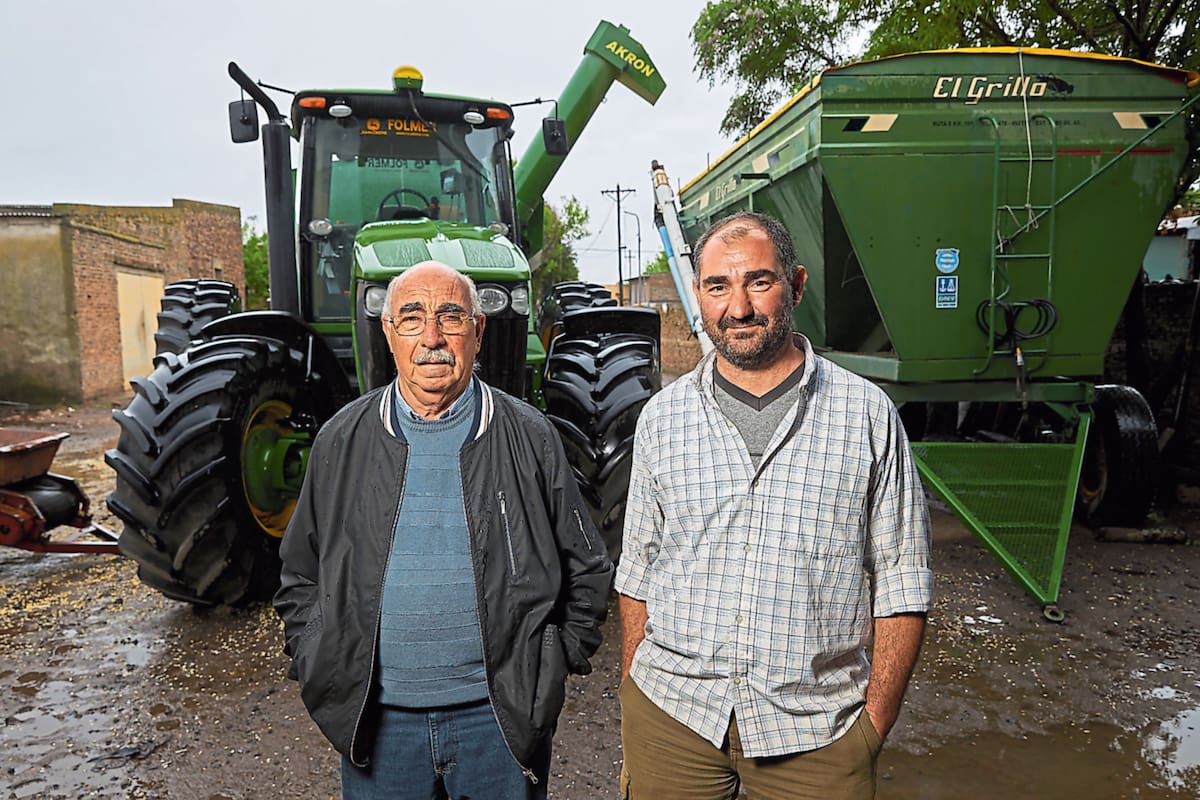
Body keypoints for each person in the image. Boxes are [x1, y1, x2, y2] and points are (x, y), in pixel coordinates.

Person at [616, 212, 933, 800]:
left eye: (758, 282)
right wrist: (634, 684)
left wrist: (873, 725)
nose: (738, 307)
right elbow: (637, 570)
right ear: (700, 296)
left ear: (797, 284)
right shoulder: (663, 419)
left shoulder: (865, 415)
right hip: (673, 720)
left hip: (817, 732)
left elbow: (903, 583)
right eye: (717, 287)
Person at [275, 261, 613, 800]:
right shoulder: (341, 441)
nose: (431, 337)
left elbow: (587, 567)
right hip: (380, 727)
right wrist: (316, 655)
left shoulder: (531, 437)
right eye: (411, 317)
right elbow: (300, 572)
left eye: (450, 316)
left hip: (498, 724)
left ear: (478, 332)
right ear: (389, 333)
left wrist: (550, 664)